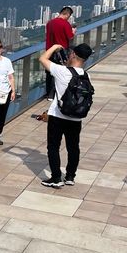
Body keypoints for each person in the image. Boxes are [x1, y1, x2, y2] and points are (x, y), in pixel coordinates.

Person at [38, 42, 93, 187]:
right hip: (77, 118)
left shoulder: (62, 71)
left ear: (73, 54)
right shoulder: (87, 76)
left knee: (53, 147)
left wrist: (55, 46)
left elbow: (42, 59)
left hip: (58, 115)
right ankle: (70, 177)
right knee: (73, 147)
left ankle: (56, 178)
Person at [39, 7, 76, 120]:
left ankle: (48, 93)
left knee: (49, 72)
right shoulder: (65, 24)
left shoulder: (50, 23)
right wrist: (73, 31)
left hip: (49, 52)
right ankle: (55, 94)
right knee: (60, 72)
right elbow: (70, 37)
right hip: (61, 52)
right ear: (67, 14)